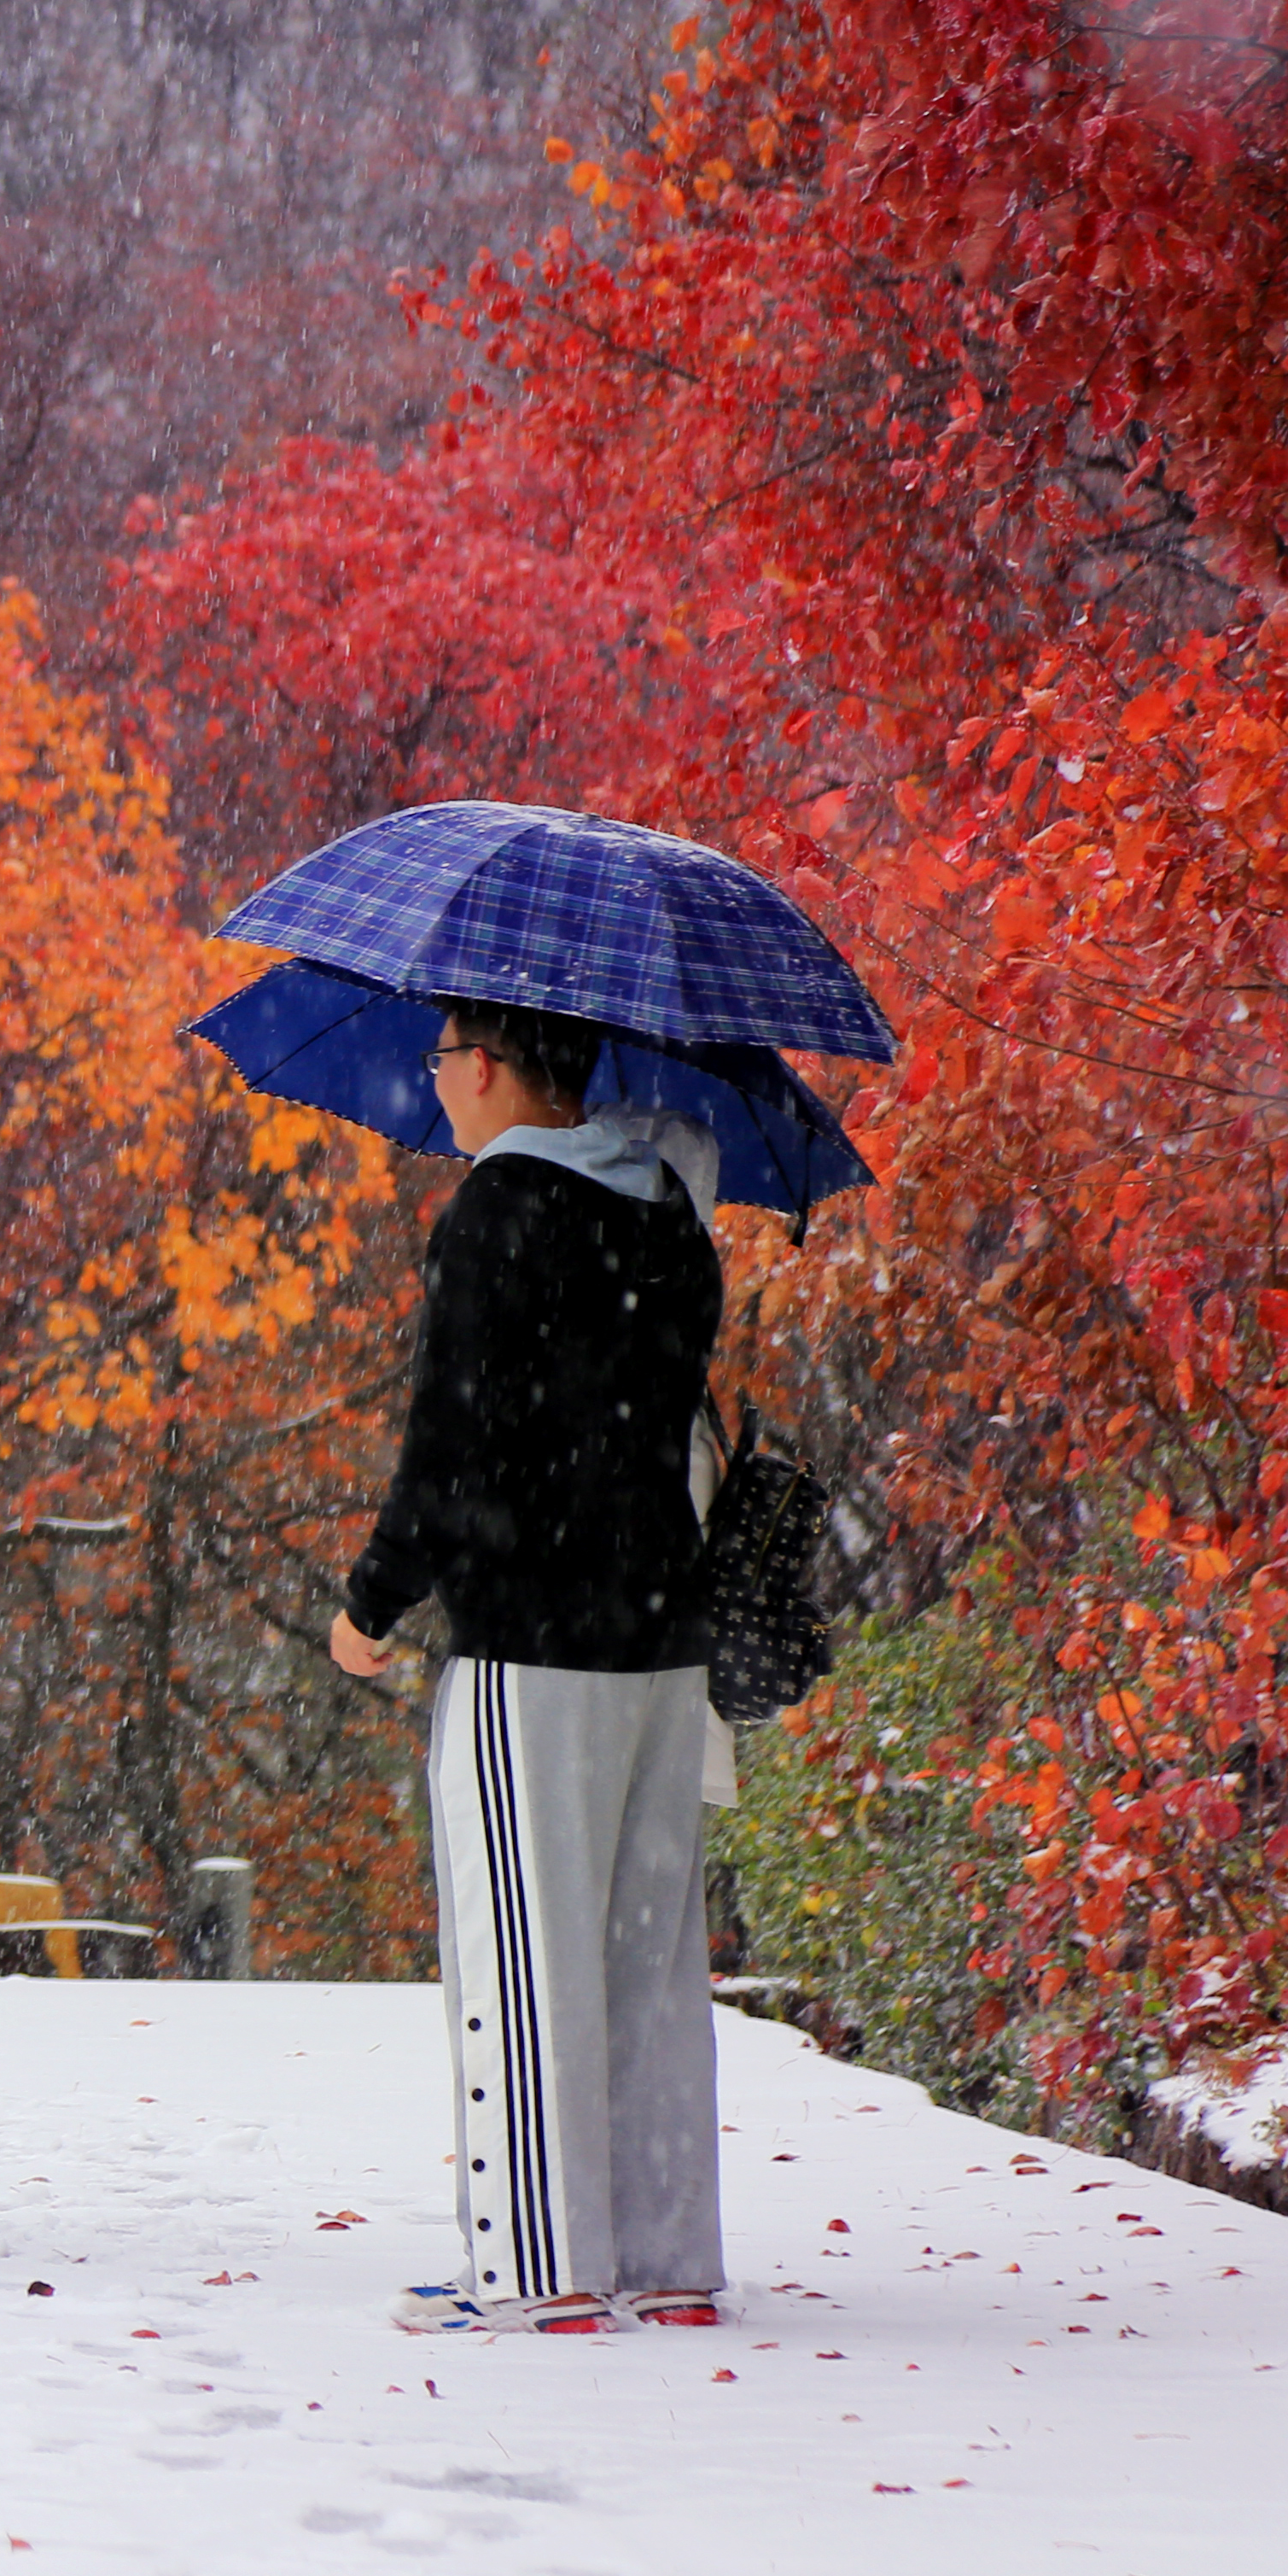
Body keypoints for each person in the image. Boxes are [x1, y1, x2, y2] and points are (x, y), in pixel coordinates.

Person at [328, 998, 729, 2335]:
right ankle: (667, 2261)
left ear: (489, 1068)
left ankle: (538, 2268)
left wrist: (374, 1603)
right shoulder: (666, 1209)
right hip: (665, 1640)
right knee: (648, 1959)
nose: (437, 1086)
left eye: (445, 1061)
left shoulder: (496, 1213)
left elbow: (450, 1452)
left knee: (522, 1949)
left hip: (532, 1647)